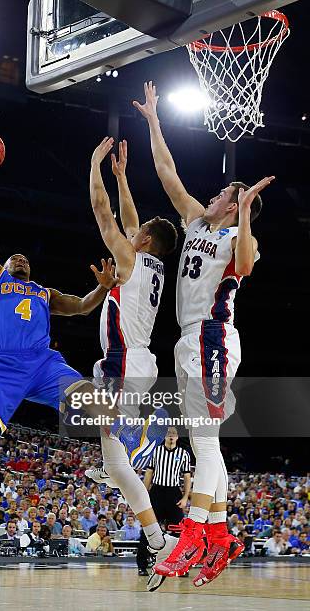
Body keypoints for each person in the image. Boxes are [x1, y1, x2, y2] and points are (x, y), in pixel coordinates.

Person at [134, 81, 274, 588]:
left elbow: (248, 264)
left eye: (227, 196)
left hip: (213, 337)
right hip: (188, 340)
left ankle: (194, 531)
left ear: (238, 210)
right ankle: (219, 535)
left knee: (205, 440)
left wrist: (244, 212)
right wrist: (153, 121)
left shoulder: (240, 239)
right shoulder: (196, 221)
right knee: (202, 439)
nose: (215, 195)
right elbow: (168, 174)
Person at [0, 154, 118, 562]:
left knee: (99, 401)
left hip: (43, 363)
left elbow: (84, 306)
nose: (22, 260)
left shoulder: (45, 294)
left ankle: (130, 451)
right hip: (2, 369)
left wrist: (102, 288)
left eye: (25, 259)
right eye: (16, 258)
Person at [85, 137, 179, 568]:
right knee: (112, 464)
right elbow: (131, 219)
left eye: (136, 234)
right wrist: (123, 177)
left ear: (143, 242)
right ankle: (156, 537)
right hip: (138, 361)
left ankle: (138, 438)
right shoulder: (151, 263)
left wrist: (95, 167)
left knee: (117, 454)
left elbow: (105, 216)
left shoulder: (129, 259)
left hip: (123, 364)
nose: (131, 232)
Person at [137, 427, 191, 579]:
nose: (171, 437)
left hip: (174, 493)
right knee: (148, 529)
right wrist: (144, 494)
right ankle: (142, 565)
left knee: (179, 531)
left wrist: (186, 497)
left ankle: (180, 565)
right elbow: (149, 473)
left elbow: (187, 477)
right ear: (165, 437)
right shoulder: (156, 451)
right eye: (169, 434)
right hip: (157, 492)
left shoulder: (184, 454)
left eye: (174, 434)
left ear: (178, 437)